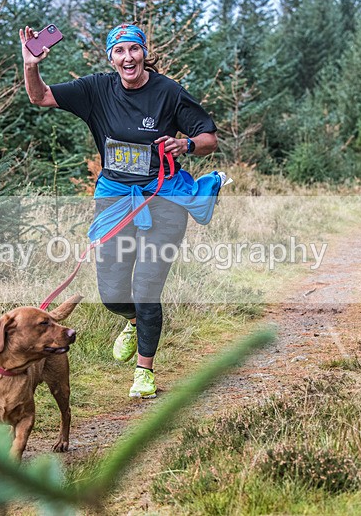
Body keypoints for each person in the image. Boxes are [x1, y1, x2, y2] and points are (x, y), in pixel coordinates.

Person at [20, 23, 224, 398]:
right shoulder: (97, 89)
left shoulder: (169, 93)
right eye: (119, 52)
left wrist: (186, 145)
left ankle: (143, 371)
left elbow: (209, 138)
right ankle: (133, 320)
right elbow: (41, 97)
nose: (127, 58)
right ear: (111, 57)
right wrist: (31, 64)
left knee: (147, 286)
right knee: (112, 292)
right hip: (115, 198)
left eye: (133, 50)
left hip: (164, 199)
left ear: (144, 52)